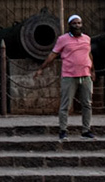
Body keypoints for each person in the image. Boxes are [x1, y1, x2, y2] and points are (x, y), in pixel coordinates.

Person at [35, 13, 96, 141]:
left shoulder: (86, 39)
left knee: (87, 104)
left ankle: (86, 130)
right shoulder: (63, 39)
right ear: (70, 25)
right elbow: (53, 55)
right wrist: (42, 68)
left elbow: (89, 54)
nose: (77, 25)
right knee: (65, 105)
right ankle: (63, 130)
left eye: (79, 23)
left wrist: (92, 70)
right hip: (69, 75)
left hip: (85, 75)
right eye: (74, 23)